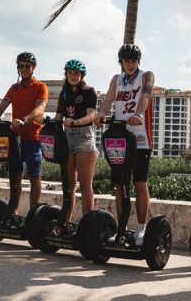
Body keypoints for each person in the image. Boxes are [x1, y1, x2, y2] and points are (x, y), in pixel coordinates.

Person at [94, 44, 155, 246]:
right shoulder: (116, 79)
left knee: (139, 183)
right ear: (121, 62)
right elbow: (109, 99)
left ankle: (141, 228)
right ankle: (121, 228)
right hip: (120, 137)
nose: (130, 64)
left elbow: (145, 96)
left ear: (138, 61)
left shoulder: (146, 76)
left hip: (140, 138)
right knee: (120, 185)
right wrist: (101, 113)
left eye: (133, 60)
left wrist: (138, 114)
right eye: (126, 61)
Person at [0, 52, 48, 218]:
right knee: (15, 175)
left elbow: (40, 109)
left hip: (33, 138)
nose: (25, 69)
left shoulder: (40, 87)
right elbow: (2, 105)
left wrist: (24, 120)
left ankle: (34, 212)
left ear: (33, 68)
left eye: (28, 66)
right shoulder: (14, 88)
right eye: (21, 66)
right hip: (15, 138)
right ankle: (13, 210)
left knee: (34, 176)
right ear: (18, 69)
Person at [54, 59, 98, 231]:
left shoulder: (89, 91)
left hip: (84, 137)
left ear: (82, 75)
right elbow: (59, 115)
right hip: (67, 137)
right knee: (69, 185)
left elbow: (91, 116)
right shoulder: (64, 92)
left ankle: (88, 224)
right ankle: (66, 222)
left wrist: (76, 122)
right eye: (70, 73)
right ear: (66, 74)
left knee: (85, 184)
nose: (73, 76)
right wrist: (50, 122)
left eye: (77, 73)